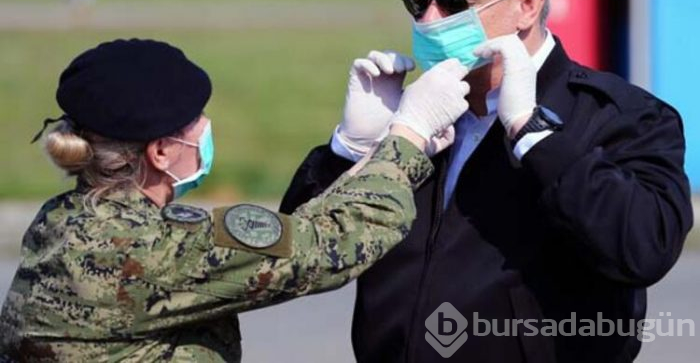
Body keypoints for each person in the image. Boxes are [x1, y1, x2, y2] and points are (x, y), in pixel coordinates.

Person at [280, 0, 694, 363]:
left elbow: (644, 248)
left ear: (527, 6)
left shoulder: (621, 116)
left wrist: (533, 134)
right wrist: (351, 150)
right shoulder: (418, 113)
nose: (429, 20)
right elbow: (293, 261)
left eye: (454, 2)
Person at [0, 38, 471, 362]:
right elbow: (330, 244)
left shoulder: (65, 219)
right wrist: (406, 136)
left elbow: (274, 245)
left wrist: (350, 148)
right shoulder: (151, 251)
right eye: (194, 120)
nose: (204, 126)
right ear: (161, 151)